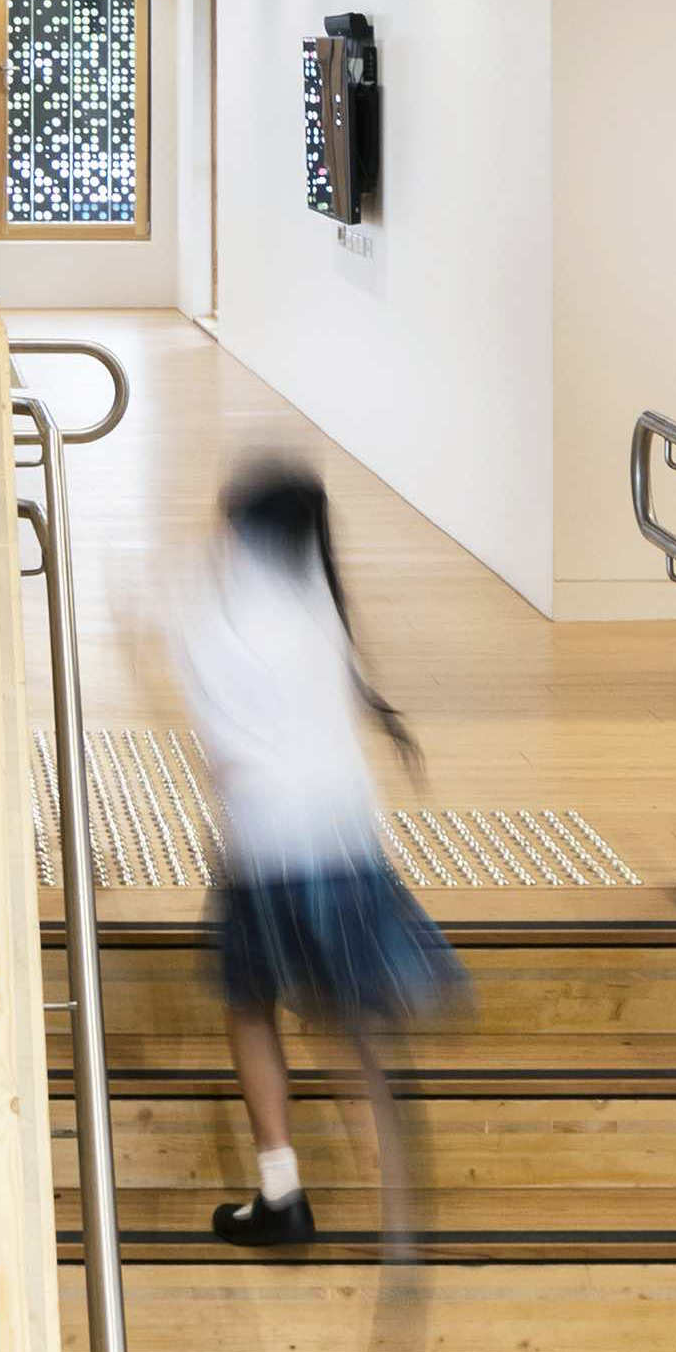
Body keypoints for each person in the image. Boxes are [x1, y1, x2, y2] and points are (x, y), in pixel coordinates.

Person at [169, 456, 462, 1250]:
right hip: (348, 838)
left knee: (251, 1003)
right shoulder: (318, 599)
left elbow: (219, 746)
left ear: (240, 525)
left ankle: (281, 1189)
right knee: (343, 1018)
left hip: (268, 844)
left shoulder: (215, 603)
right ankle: (390, 1190)